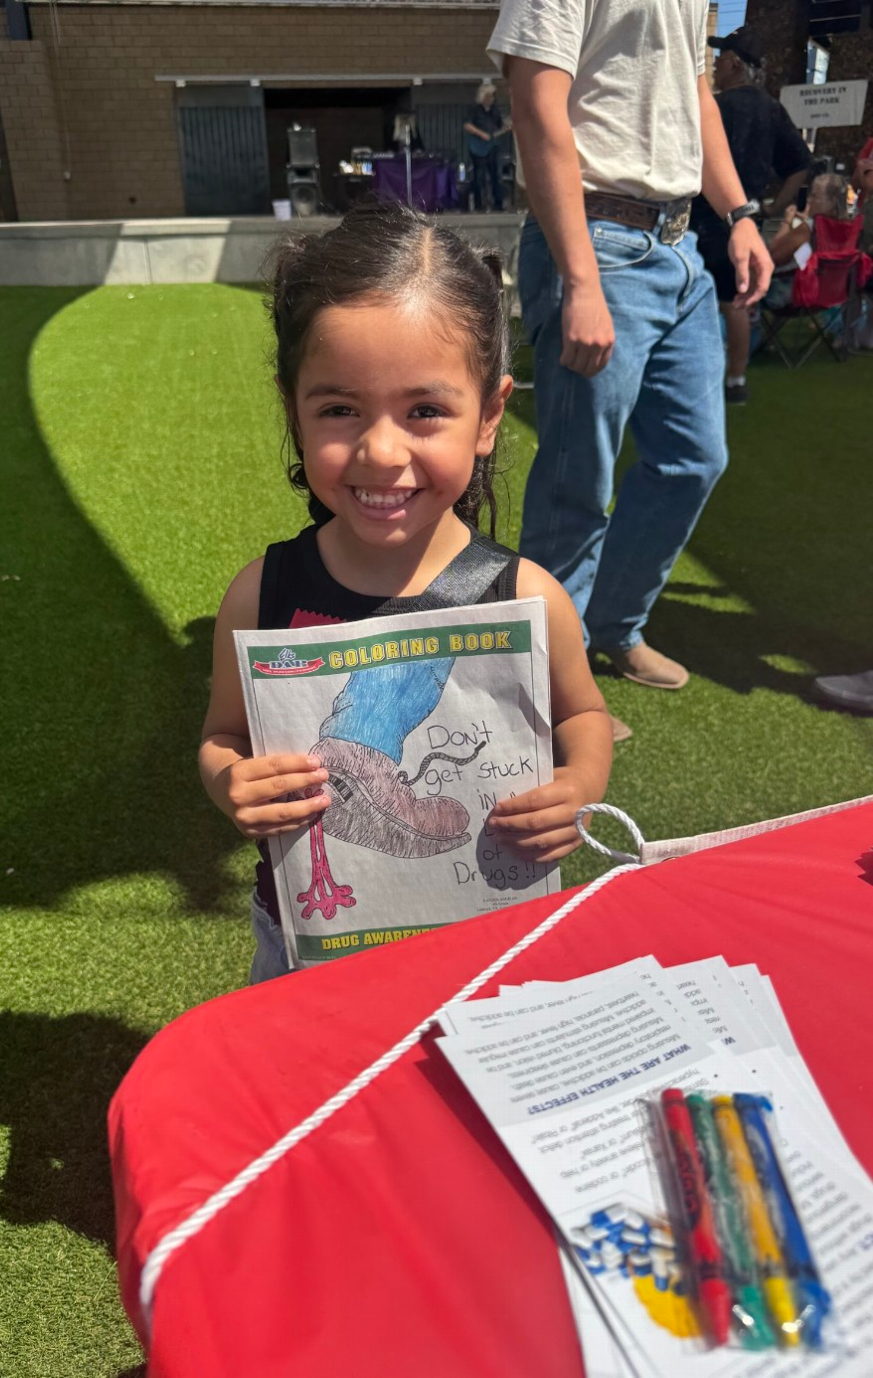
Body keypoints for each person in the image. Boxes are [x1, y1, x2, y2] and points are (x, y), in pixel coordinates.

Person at [198, 203, 613, 983]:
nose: (381, 450)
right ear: (293, 408)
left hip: (482, 948)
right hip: (304, 947)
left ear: (489, 414)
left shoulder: (524, 596)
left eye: (425, 411)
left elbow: (585, 715)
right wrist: (231, 781)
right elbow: (223, 735)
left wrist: (576, 787)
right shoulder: (263, 594)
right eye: (339, 409)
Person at [487, 0, 772, 716]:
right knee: (575, 482)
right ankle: (554, 686)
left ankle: (612, 624)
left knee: (694, 459)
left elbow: (693, 94)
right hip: (597, 242)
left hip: (680, 246)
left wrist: (738, 214)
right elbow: (535, 104)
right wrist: (579, 280)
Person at [692, 26, 811, 405]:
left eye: (720, 58)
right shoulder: (773, 110)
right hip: (747, 218)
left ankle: (694, 380)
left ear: (734, 64)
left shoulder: (715, 107)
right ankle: (736, 380)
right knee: (737, 302)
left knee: (693, 298)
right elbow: (800, 165)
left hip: (702, 216)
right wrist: (775, 207)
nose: (714, 65)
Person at [764, 172, 852, 308]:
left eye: (815, 195)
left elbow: (774, 256)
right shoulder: (849, 228)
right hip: (834, 292)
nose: (809, 200)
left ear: (831, 202)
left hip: (793, 293)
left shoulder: (808, 228)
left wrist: (787, 221)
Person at [463, 81, 511, 212]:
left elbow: (500, 127)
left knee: (496, 175)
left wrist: (507, 127)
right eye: (488, 96)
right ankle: (479, 204)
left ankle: (497, 204)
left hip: (492, 147)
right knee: (479, 176)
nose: (491, 99)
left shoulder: (495, 111)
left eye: (492, 96)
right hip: (477, 147)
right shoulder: (474, 110)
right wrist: (481, 134)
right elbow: (467, 125)